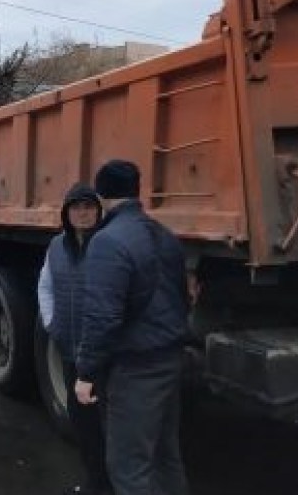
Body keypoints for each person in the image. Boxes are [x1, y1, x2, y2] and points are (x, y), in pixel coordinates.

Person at [74, 160, 189, 495]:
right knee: (167, 456)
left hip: (135, 367)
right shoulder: (164, 234)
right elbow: (182, 295)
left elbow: (103, 317)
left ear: (101, 195)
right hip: (169, 357)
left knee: (128, 467)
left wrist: (86, 373)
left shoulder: (107, 241)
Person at [38, 184, 111, 495]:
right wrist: (52, 323)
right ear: (66, 214)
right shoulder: (56, 246)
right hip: (70, 351)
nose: (83, 213)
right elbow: (45, 287)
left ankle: (117, 481)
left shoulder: (109, 245)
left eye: (89, 207)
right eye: (76, 207)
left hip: (105, 353)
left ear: (99, 211)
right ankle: (95, 480)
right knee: (82, 422)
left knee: (111, 421)